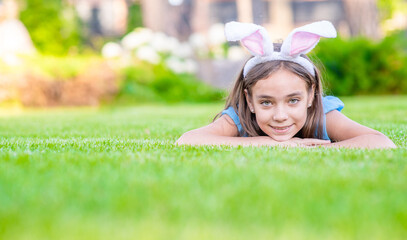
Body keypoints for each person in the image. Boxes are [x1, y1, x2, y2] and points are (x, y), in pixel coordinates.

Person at [176, 21, 396, 149]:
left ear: (311, 96)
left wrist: (314, 152)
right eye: (266, 102)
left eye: (293, 100)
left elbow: (381, 142)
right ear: (249, 100)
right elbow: (187, 140)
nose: (280, 115)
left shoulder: (321, 113)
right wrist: (269, 143)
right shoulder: (240, 117)